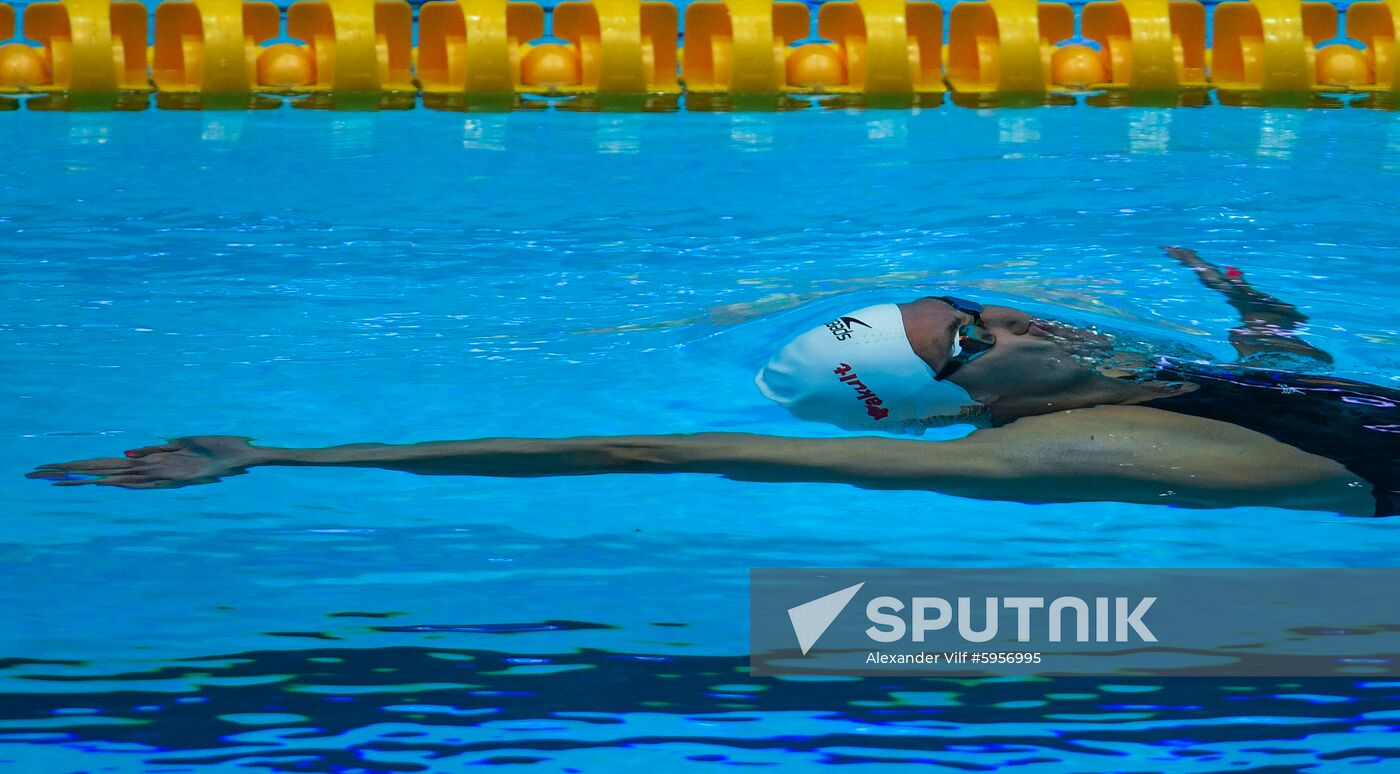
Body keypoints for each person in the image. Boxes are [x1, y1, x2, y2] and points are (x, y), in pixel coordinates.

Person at [28, 248, 1398, 517]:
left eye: (966, 302)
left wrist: (1258, 317)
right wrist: (283, 458)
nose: (1011, 314)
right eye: (968, 335)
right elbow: (650, 452)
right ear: (941, 405)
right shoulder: (1052, 450)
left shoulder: (1150, 371)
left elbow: (1298, 382)